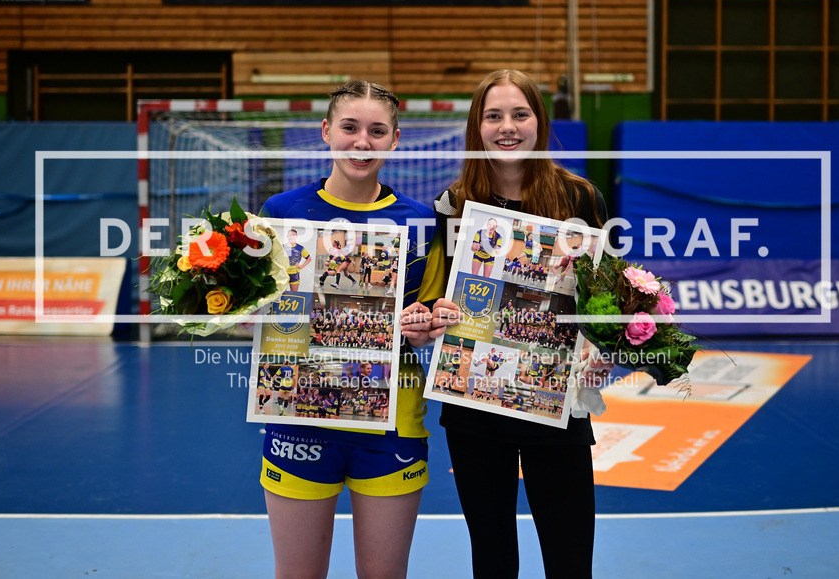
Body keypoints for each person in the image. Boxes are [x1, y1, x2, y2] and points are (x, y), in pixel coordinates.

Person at [259, 80, 444, 579]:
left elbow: (430, 316)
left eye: (377, 131)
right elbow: (260, 311)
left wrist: (425, 326)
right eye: (350, 127)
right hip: (298, 414)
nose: (363, 142)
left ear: (396, 140)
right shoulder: (279, 214)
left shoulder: (421, 221)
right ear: (326, 131)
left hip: (391, 422)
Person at [429, 68, 608, 579]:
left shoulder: (581, 199)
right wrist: (440, 313)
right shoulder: (453, 204)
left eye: (519, 114)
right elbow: (441, 295)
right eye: (493, 116)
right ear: (476, 127)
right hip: (475, 405)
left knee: (570, 556)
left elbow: (602, 302)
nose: (507, 126)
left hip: (558, 401)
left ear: (539, 121)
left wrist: (605, 347)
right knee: (492, 556)